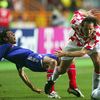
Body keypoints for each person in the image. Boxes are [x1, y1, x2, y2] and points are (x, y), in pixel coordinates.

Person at [0, 28, 84, 98]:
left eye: (13, 33)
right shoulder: (4, 46)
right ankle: (51, 91)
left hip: (36, 55)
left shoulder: (13, 51)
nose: (14, 35)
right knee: (52, 62)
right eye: (11, 34)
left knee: (70, 59)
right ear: (5, 39)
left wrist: (33, 88)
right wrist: (33, 88)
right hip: (31, 58)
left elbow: (21, 74)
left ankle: (72, 86)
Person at [44, 9, 100, 99]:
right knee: (62, 69)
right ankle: (51, 80)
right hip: (75, 41)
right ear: (81, 25)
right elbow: (79, 11)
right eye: (86, 29)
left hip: (89, 43)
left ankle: (94, 92)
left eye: (90, 29)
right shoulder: (75, 21)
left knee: (98, 63)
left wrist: (65, 53)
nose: (88, 32)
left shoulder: (95, 34)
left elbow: (82, 53)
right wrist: (87, 13)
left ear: (94, 27)